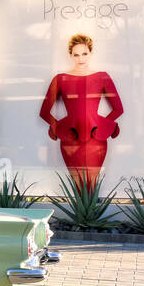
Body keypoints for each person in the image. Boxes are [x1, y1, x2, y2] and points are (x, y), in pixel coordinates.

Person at [39, 33, 124, 189]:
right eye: (76, 54)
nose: (81, 58)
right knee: (78, 186)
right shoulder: (60, 79)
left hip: (96, 140)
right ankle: (82, 212)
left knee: (92, 185)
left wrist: (101, 125)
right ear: (70, 55)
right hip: (71, 138)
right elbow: (44, 112)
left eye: (84, 53)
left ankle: (90, 212)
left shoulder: (102, 77)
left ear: (91, 53)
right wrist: (62, 129)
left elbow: (118, 109)